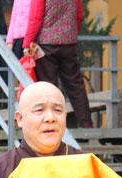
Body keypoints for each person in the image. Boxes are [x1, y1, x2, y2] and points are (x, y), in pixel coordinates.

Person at [29, 0, 94, 128]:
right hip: (68, 43)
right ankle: (86, 124)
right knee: (76, 85)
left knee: (49, 87)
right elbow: (79, 15)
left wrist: (28, 42)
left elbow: (35, 17)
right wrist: (71, 34)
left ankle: (52, 125)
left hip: (46, 43)